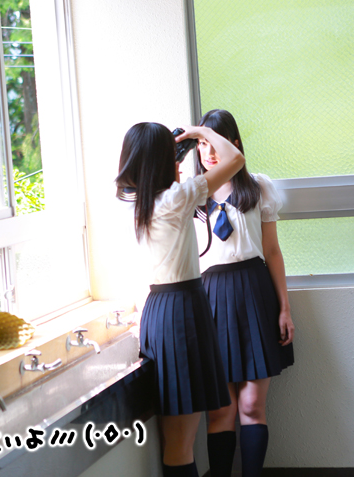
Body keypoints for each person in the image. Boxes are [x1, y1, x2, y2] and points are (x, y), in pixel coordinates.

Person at [116, 122, 246, 477]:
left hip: (159, 309)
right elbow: (235, 159)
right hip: (183, 310)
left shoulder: (133, 203)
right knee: (180, 444)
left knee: (175, 440)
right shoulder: (175, 199)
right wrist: (199, 131)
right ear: (162, 160)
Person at [194, 109, 295, 477]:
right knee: (221, 409)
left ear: (234, 144)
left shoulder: (257, 187)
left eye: (215, 142)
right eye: (201, 143)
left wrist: (284, 308)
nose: (208, 151)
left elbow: (272, 252)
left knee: (252, 405)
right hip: (210, 297)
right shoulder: (190, 194)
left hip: (254, 292)